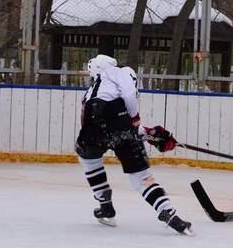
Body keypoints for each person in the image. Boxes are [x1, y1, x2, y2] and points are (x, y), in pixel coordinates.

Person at [75, 54, 192, 235]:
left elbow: (93, 126)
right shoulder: (122, 72)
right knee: (141, 177)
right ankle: (169, 214)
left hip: (95, 124)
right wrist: (145, 130)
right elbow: (126, 107)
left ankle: (105, 204)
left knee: (87, 155)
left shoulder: (92, 92)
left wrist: (149, 133)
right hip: (119, 121)